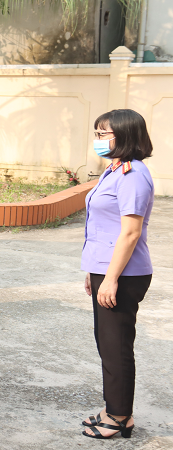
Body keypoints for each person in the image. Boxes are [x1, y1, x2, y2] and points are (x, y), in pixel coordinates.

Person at [80, 109, 154, 439]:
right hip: (107, 269)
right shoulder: (114, 171)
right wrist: (94, 272)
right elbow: (100, 228)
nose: (97, 139)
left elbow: (130, 233)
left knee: (117, 344)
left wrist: (110, 279)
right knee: (107, 342)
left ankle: (121, 417)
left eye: (103, 134)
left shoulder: (133, 175)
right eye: (96, 133)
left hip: (123, 274)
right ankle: (114, 407)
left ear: (124, 136)